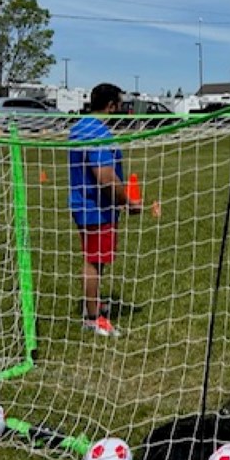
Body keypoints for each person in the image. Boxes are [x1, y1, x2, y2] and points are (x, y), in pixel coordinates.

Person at [69, 83, 142, 337]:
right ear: (111, 106)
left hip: (85, 204)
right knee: (95, 261)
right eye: (119, 106)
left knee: (96, 259)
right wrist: (129, 202)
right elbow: (106, 177)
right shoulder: (97, 132)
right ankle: (93, 318)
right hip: (95, 208)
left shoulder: (79, 127)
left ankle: (95, 303)